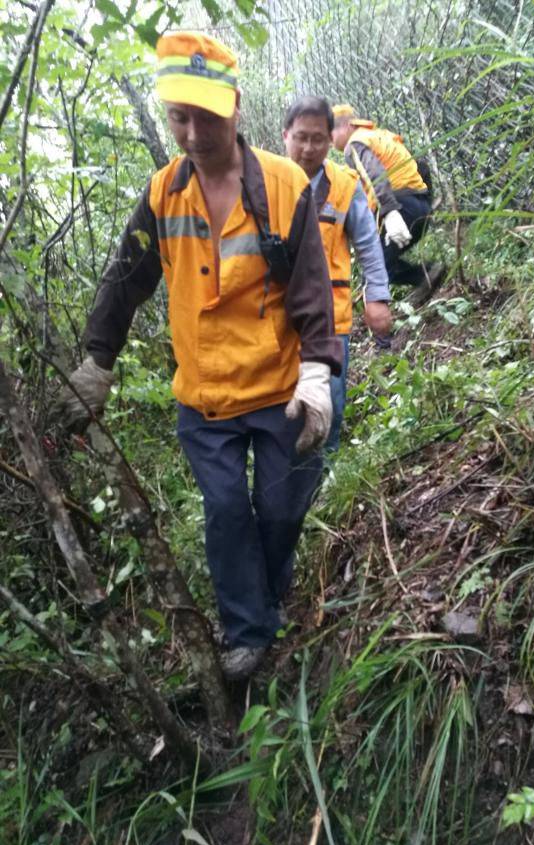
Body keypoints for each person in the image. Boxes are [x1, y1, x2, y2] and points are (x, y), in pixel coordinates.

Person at [57, 32, 342, 680]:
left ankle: (266, 599)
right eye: (178, 117)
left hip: (275, 387)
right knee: (225, 512)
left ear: (235, 106)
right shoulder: (163, 193)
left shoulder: (284, 182)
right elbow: (124, 278)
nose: (191, 133)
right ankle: (248, 631)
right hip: (205, 396)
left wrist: (318, 370)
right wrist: (97, 361)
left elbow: (310, 285)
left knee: (278, 509)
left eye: (205, 116)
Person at [282, 96, 392, 451]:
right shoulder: (267, 184)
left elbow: (368, 244)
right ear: (285, 136)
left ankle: (325, 476)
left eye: (317, 139)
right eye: (300, 137)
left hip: (331, 317)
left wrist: (377, 297)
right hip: (277, 318)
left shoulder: (345, 186)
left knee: (331, 401)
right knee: (281, 403)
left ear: (331, 140)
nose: (308, 148)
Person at [331, 105, 444, 301]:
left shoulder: (355, 144)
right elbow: (421, 166)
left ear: (346, 126)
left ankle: (426, 275)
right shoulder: (378, 136)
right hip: (419, 206)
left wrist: (391, 212)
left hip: (399, 209)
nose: (329, 141)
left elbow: (375, 175)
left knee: (375, 266)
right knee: (380, 262)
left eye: (329, 133)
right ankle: (427, 277)